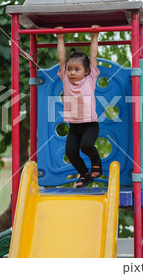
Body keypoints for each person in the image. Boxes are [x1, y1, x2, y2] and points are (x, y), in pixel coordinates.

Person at [56, 25, 103, 188]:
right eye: (69, 69)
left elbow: (93, 56)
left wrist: (94, 36)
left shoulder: (90, 79)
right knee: (70, 152)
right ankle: (84, 175)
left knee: (86, 146)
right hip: (74, 127)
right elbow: (62, 58)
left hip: (90, 124)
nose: (72, 72)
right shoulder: (66, 80)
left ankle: (96, 161)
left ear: (87, 71)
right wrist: (60, 38)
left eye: (77, 69)